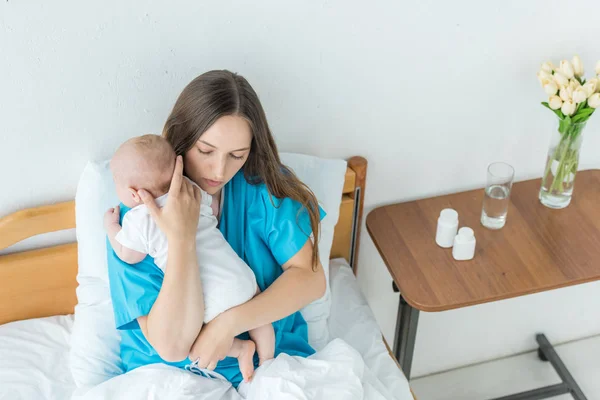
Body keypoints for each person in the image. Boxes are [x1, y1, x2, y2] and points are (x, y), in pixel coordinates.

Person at [106, 69, 327, 388]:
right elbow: (170, 345)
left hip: (269, 363)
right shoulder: (138, 220)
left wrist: (229, 324)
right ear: (180, 138)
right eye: (206, 152)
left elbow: (310, 279)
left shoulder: (260, 187)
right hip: (171, 375)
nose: (220, 171)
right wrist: (181, 239)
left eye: (237, 155)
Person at [104, 134, 274, 382]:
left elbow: (127, 255)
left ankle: (240, 349)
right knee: (260, 315)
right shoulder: (192, 192)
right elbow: (214, 213)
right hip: (239, 276)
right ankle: (269, 364)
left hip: (211, 300)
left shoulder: (138, 220)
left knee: (195, 347)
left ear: (132, 193)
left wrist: (111, 227)